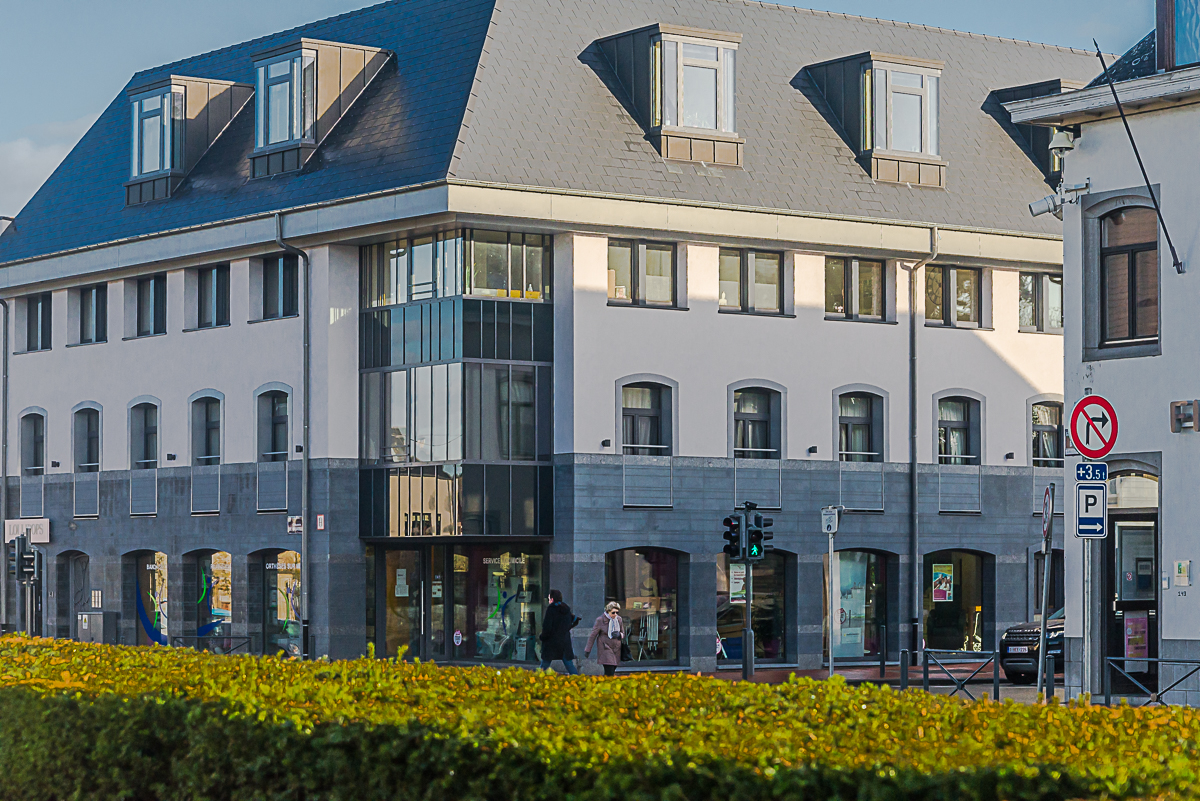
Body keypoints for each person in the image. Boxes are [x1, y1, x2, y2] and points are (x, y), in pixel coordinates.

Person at [538, 589, 580, 674]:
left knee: (544, 664)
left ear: (552, 599)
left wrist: (542, 637)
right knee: (569, 664)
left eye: (549, 598)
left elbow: (547, 627)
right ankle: (577, 678)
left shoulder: (551, 609)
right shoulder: (566, 609)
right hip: (564, 641)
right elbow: (569, 623)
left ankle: (536, 679)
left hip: (551, 642)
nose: (548, 600)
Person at [584, 601, 624, 676]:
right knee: (609, 669)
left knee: (613, 669)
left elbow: (623, 632)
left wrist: (620, 634)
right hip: (605, 647)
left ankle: (606, 682)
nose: (615, 614)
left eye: (617, 612)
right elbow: (593, 635)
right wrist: (587, 650)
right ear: (608, 611)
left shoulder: (619, 619)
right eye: (613, 612)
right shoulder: (600, 620)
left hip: (616, 648)